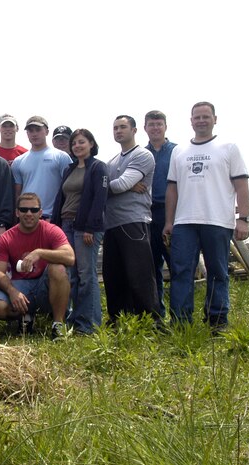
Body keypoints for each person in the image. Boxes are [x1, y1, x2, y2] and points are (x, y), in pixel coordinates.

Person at [164, 101, 249, 330]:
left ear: (215, 119)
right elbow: (172, 189)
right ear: (190, 120)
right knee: (181, 271)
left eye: (205, 116)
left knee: (218, 271)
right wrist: (169, 221)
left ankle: (217, 319)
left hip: (217, 220)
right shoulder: (179, 151)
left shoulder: (228, 147)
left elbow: (241, 185)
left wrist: (243, 218)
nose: (201, 121)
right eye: (197, 117)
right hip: (184, 222)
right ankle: (181, 321)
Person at [0, 193, 74, 339]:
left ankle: (58, 325)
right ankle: (25, 317)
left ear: (40, 213)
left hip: (44, 286)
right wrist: (12, 291)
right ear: (17, 212)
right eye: (24, 209)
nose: (29, 213)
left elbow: (70, 257)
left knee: (58, 268)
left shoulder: (52, 230)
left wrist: (40, 253)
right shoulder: (6, 238)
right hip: (20, 285)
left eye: (34, 210)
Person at [51, 129, 108, 334]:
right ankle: (75, 319)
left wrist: (90, 227)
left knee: (87, 275)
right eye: (74, 143)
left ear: (91, 144)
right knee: (72, 275)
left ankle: (89, 324)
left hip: (85, 227)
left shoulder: (98, 167)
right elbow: (62, 198)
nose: (77, 146)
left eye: (82, 142)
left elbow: (99, 199)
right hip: (66, 225)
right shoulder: (70, 168)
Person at [103, 115, 159, 324]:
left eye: (123, 127)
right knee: (113, 275)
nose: (118, 131)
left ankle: (150, 321)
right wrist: (116, 186)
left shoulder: (143, 155)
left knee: (140, 274)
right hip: (112, 222)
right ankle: (118, 320)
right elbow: (116, 185)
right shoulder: (112, 161)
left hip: (133, 221)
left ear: (134, 130)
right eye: (115, 127)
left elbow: (121, 184)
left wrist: (110, 187)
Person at [144, 110, 177, 319]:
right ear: (145, 128)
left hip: (172, 213)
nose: (155, 128)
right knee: (152, 268)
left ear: (166, 126)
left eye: (159, 124)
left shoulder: (177, 152)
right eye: (151, 124)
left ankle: (179, 316)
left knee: (177, 265)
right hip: (148, 214)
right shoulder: (140, 154)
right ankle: (157, 316)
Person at [11, 116, 72, 220]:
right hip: (27, 217)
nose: (34, 134)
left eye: (38, 130)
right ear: (27, 134)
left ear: (47, 132)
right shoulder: (18, 161)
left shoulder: (61, 157)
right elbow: (17, 193)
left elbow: (69, 189)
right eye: (31, 131)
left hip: (52, 216)